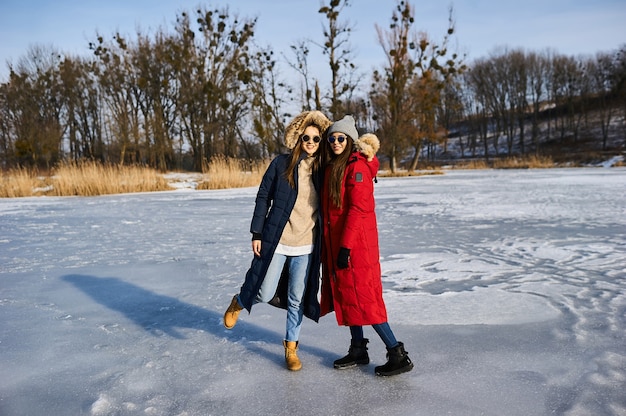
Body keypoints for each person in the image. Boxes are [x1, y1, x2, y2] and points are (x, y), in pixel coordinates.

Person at [223, 110, 331, 371]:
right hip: (278, 240)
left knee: (297, 299)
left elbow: (349, 158)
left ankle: (291, 349)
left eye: (316, 139)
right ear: (298, 138)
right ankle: (240, 300)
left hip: (307, 245)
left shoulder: (324, 169)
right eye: (306, 137)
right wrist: (257, 233)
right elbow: (263, 197)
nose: (311, 142)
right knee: (265, 290)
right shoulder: (281, 164)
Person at [319, 114, 414, 377]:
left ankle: (397, 353)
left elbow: (358, 210)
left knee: (365, 299)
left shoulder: (356, 167)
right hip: (339, 244)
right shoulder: (335, 165)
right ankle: (358, 349)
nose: (336, 142)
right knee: (349, 297)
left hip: (356, 247)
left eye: (341, 138)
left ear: (350, 140)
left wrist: (346, 248)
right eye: (332, 138)